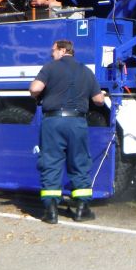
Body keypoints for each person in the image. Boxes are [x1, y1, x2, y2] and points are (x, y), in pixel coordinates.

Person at [29, 39, 105, 224]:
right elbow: (99, 101)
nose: (51, 54)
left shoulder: (50, 67)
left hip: (53, 121)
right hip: (77, 122)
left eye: (53, 51)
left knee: (51, 163)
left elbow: (34, 88)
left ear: (63, 51)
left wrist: (37, 95)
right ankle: (81, 209)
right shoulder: (86, 71)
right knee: (79, 163)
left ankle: (51, 211)